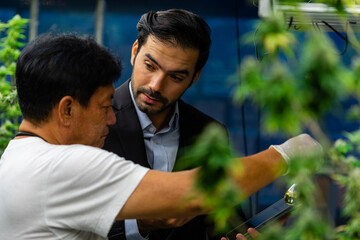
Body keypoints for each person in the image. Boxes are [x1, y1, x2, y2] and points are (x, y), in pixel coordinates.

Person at [0, 33, 321, 240]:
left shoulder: (18, 159)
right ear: (67, 109)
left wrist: (148, 222)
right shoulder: (63, 166)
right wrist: (287, 153)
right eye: (104, 107)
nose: (111, 119)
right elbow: (194, 193)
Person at [102, 9, 232, 240]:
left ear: (195, 77)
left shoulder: (209, 133)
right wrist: (139, 224)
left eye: (175, 77)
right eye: (150, 66)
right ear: (134, 52)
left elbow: (221, 219)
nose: (155, 85)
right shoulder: (95, 122)